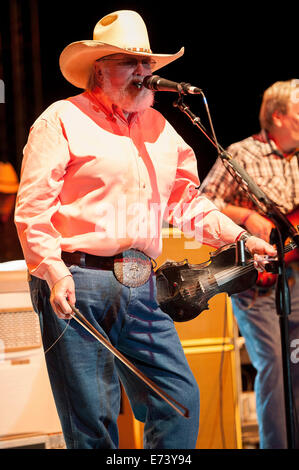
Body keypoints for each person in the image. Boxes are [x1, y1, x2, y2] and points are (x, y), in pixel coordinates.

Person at [14, 10, 276, 449]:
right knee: (93, 419)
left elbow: (187, 201)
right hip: (78, 278)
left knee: (178, 401)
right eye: (129, 62)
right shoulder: (60, 119)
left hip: (141, 279)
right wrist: (52, 271)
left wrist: (239, 237)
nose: (143, 72)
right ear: (100, 69)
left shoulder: (161, 128)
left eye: (148, 64)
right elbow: (33, 207)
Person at [200, 79, 299, 448]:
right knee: (274, 368)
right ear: (279, 116)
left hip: (296, 278)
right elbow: (203, 202)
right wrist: (246, 216)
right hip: (258, 282)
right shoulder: (241, 154)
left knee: (296, 367)